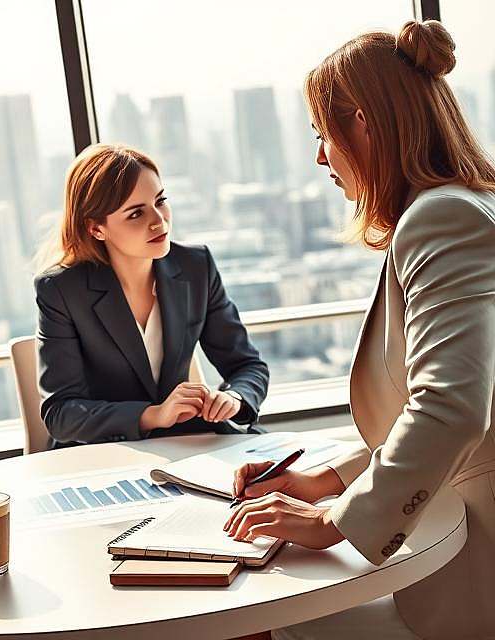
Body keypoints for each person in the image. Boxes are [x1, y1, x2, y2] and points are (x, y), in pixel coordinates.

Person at [224, 21, 495, 639]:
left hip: (475, 568)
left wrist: (331, 522)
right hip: (455, 534)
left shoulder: (440, 219)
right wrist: (328, 479)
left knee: (284, 624)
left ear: (365, 123)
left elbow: (452, 409)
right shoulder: (471, 204)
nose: (321, 156)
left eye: (324, 133)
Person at [34, 143, 269, 449]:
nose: (159, 220)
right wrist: (152, 415)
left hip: (187, 441)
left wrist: (233, 398)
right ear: (96, 229)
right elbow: (61, 413)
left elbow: (247, 366)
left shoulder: (196, 266)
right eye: (135, 214)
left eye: (161, 201)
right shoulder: (61, 290)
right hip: (105, 453)